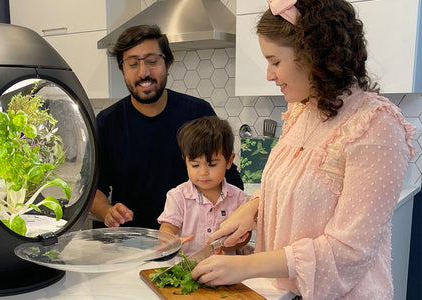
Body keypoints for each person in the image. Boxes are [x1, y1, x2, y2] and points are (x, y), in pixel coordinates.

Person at [191, 0, 416, 299]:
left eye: (275, 61)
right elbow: (294, 186)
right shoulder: (302, 110)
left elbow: (349, 251)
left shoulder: (375, 128)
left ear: (314, 55)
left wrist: (246, 267)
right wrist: (252, 209)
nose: (269, 76)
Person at [90, 25, 243, 229]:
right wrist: (107, 211)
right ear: (122, 68)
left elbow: (229, 177)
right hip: (130, 244)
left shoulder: (197, 113)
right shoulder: (107, 122)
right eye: (133, 64)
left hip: (190, 244)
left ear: (168, 63)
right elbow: (92, 189)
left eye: (152, 62)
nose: (144, 72)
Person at [157, 116, 249, 256]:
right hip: (186, 268)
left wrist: (228, 248)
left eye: (212, 164)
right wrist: (168, 241)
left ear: (229, 161)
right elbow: (167, 227)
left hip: (227, 269)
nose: (203, 172)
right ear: (185, 161)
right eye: (195, 165)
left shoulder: (239, 198)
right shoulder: (178, 196)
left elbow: (244, 236)